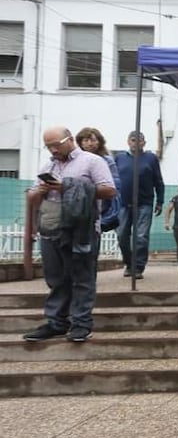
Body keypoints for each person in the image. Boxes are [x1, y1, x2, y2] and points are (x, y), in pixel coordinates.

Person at [22, 127, 115, 343]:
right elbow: (33, 197)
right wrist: (41, 191)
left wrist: (68, 187)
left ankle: (81, 324)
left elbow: (110, 190)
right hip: (51, 226)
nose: (53, 150)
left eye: (56, 144)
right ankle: (56, 322)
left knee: (82, 277)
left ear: (70, 140)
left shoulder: (92, 161)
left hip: (82, 228)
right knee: (56, 277)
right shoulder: (48, 165)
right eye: (48, 146)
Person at [115, 130, 165, 279]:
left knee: (141, 236)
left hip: (144, 203)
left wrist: (160, 201)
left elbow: (159, 181)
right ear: (128, 142)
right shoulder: (119, 158)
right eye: (132, 140)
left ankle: (138, 267)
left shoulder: (150, 158)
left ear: (144, 142)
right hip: (123, 204)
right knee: (121, 234)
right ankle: (128, 263)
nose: (136, 143)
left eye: (139, 140)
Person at [75, 126, 122, 244]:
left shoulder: (107, 161)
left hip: (99, 207)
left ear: (99, 142)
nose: (90, 144)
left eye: (93, 140)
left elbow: (115, 186)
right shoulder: (75, 160)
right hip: (77, 206)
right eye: (86, 140)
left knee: (93, 240)